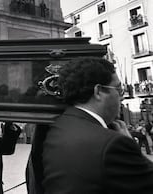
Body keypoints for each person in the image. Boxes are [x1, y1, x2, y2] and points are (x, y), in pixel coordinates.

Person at [42, 57, 153, 193]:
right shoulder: (114, 143)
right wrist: (131, 145)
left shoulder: (59, 126)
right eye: (118, 89)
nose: (121, 96)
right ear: (98, 91)